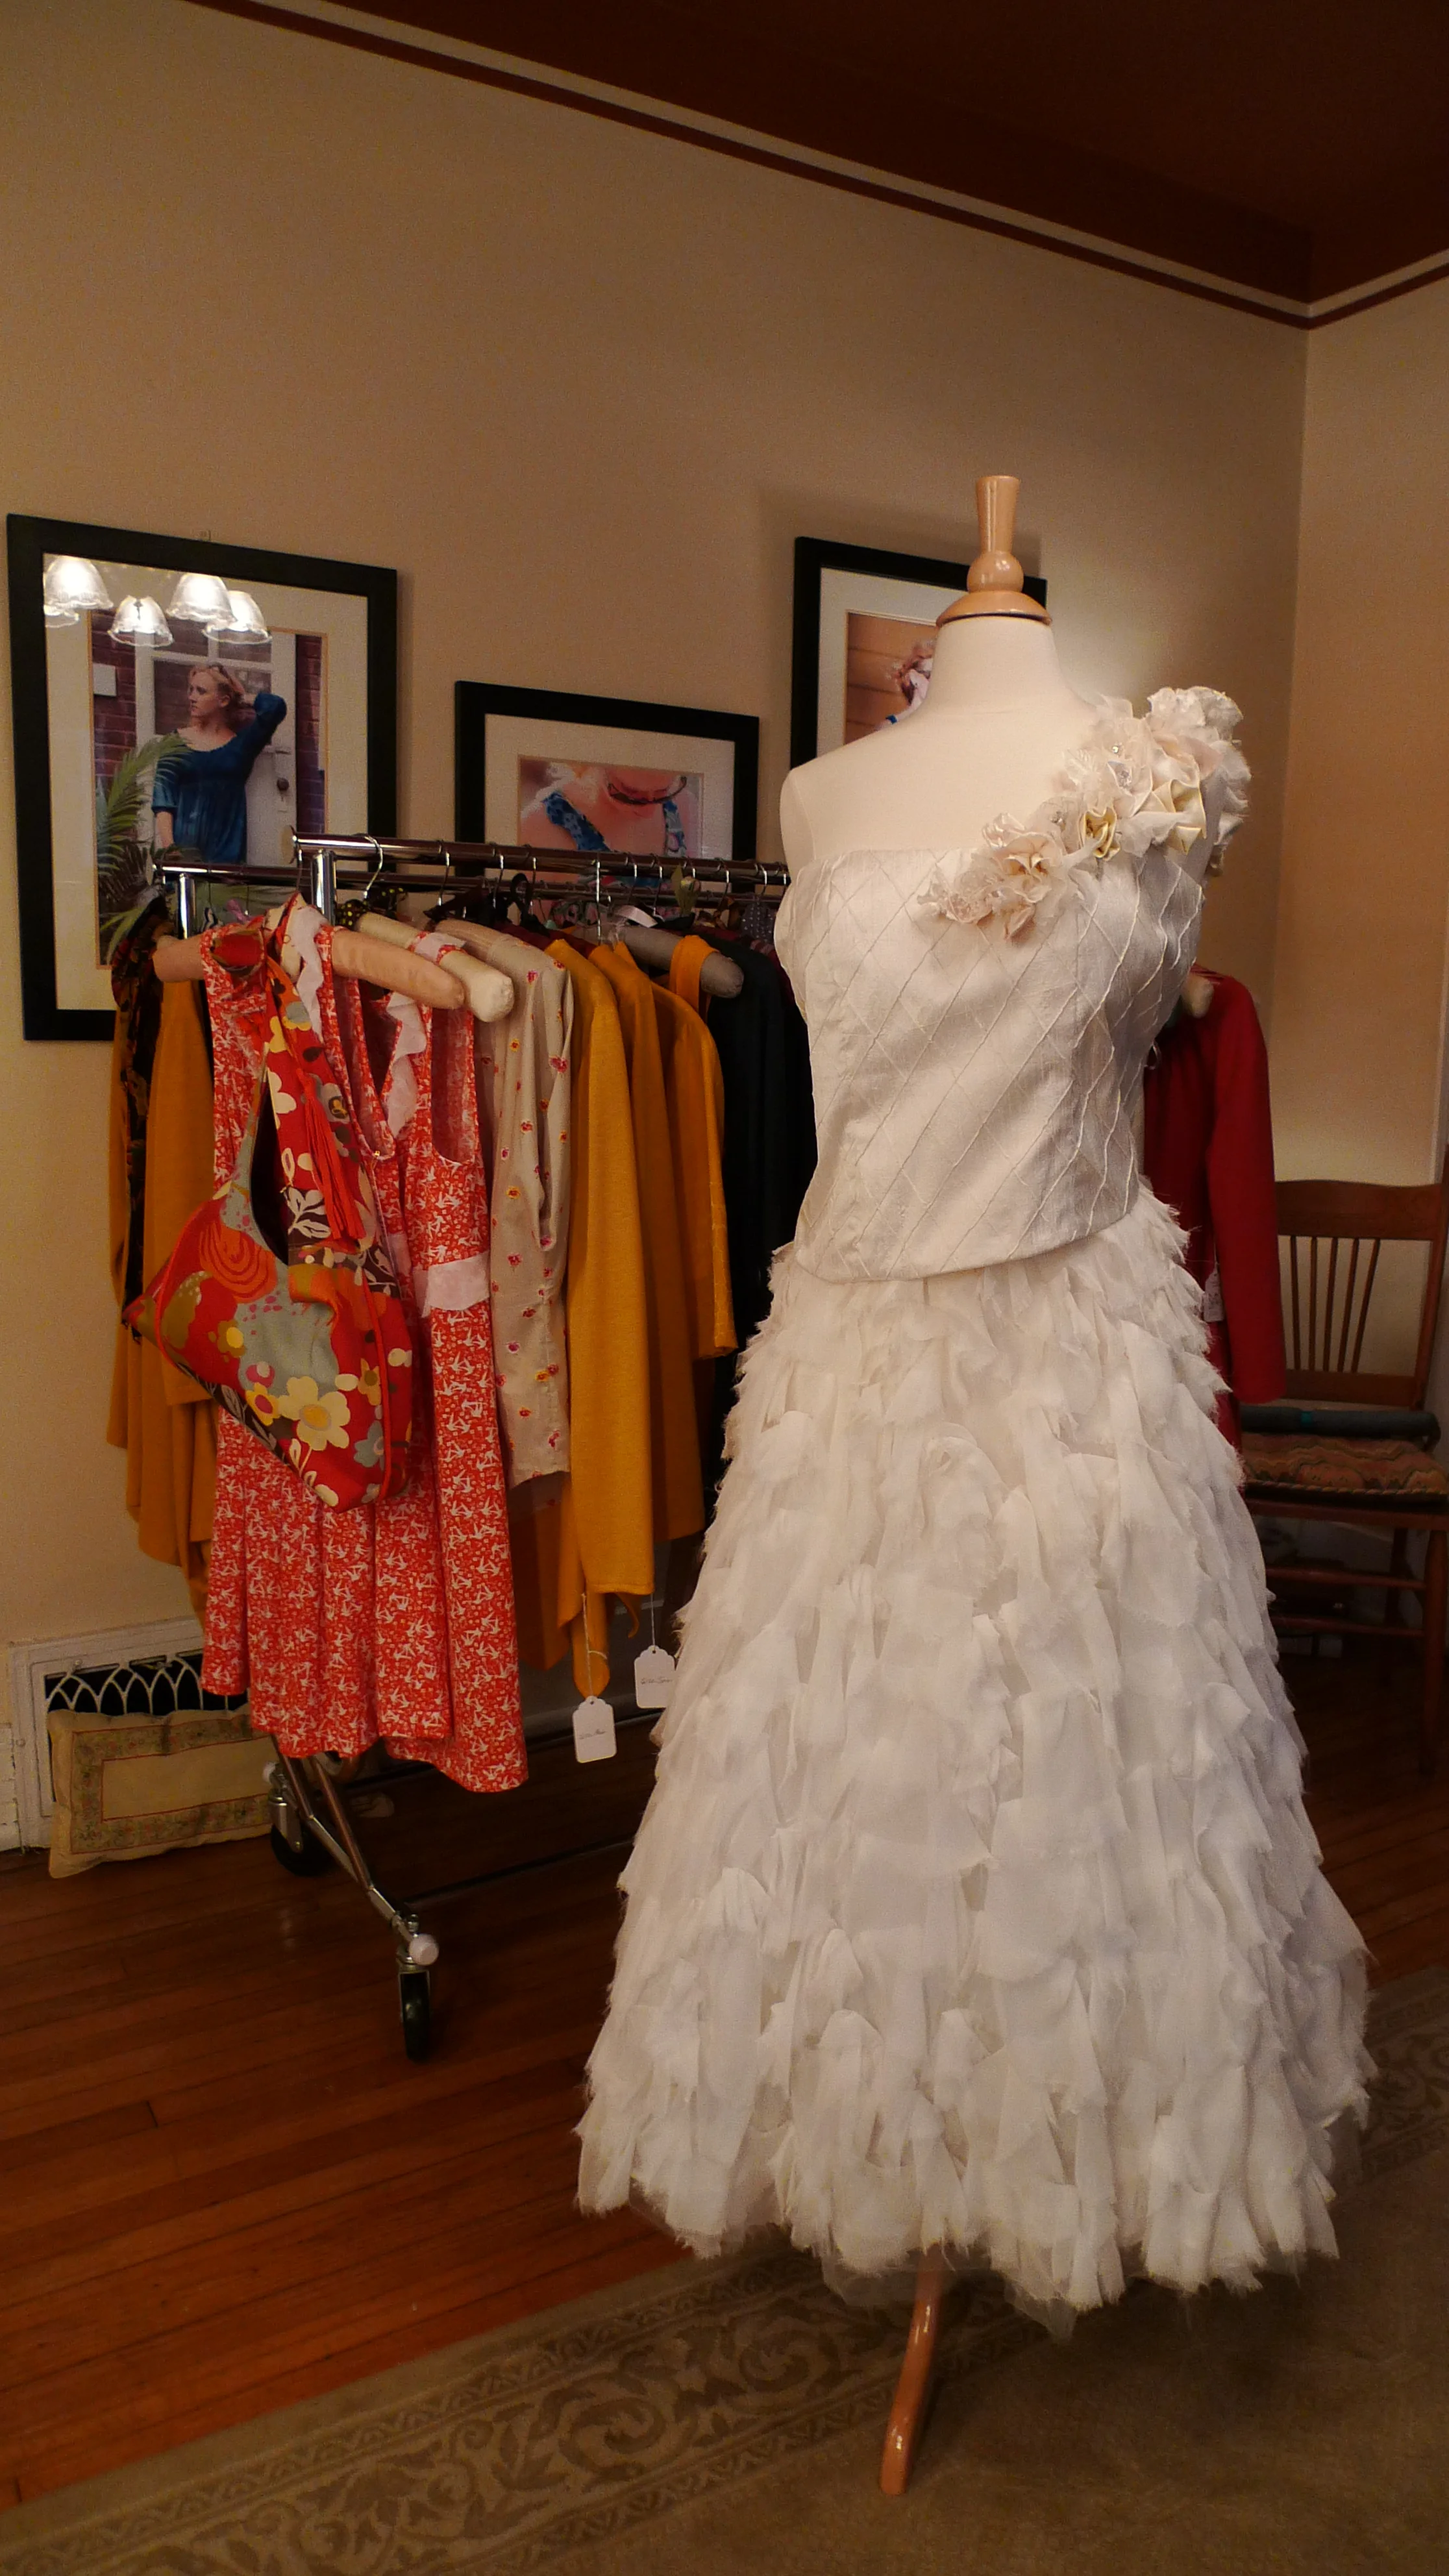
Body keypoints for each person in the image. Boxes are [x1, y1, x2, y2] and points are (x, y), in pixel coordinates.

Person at [151, 664, 286, 869]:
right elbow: (163, 801)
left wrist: (241, 696)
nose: (192, 697)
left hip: (227, 859)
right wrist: (171, 851)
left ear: (223, 700)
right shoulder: (175, 742)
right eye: (191, 689)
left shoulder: (242, 745)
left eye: (201, 691)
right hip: (183, 857)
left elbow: (275, 708)